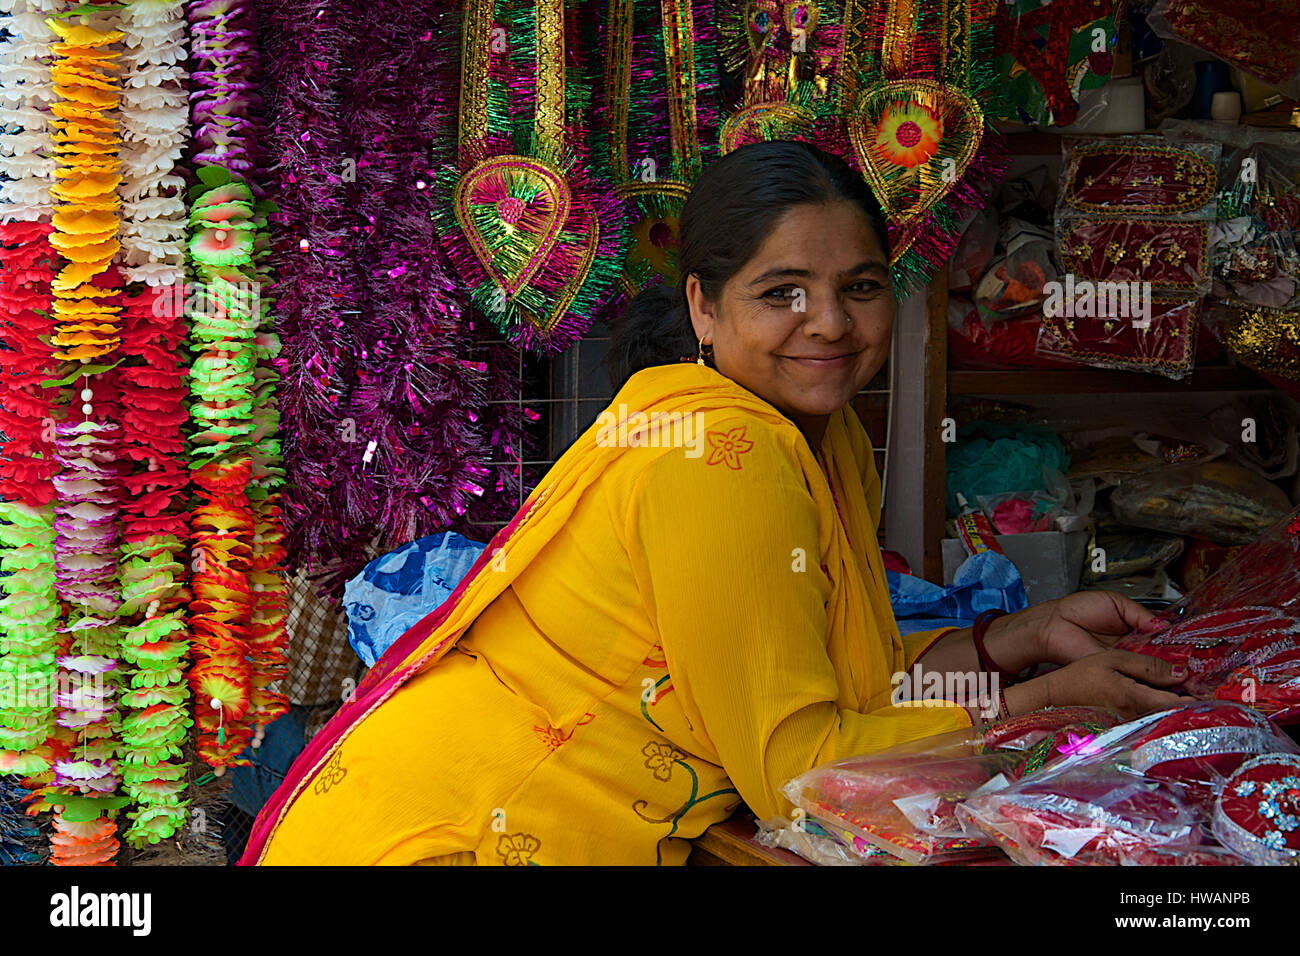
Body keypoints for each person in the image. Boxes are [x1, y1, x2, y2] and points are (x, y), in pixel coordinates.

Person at [241, 140, 1194, 866]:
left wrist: (1019, 639)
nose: (829, 323)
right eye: (783, 292)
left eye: (859, 289)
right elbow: (800, 766)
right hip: (465, 830)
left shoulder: (819, 437)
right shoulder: (721, 453)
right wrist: (1040, 706)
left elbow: (828, 679)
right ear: (704, 308)